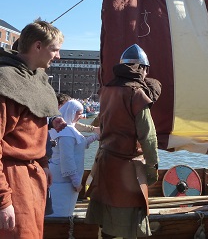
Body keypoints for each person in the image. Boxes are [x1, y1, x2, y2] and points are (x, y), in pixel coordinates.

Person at [85, 44, 159, 238]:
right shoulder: (136, 94)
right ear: (141, 69)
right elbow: (148, 136)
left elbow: (100, 123)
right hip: (127, 170)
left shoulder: (106, 90)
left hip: (105, 163)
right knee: (130, 225)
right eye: (145, 69)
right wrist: (152, 168)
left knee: (107, 224)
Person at [0, 20, 66, 238]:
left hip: (33, 177)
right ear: (38, 46)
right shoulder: (6, 82)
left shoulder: (35, 78)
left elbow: (33, 128)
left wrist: (44, 163)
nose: (58, 56)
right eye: (54, 49)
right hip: (12, 179)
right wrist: (3, 201)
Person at [47, 99, 99, 217]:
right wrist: (76, 182)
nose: (81, 116)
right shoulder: (66, 132)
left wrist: (95, 137)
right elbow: (67, 159)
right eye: (79, 113)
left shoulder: (68, 129)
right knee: (60, 211)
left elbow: (79, 146)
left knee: (61, 208)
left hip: (61, 177)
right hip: (63, 180)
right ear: (71, 112)